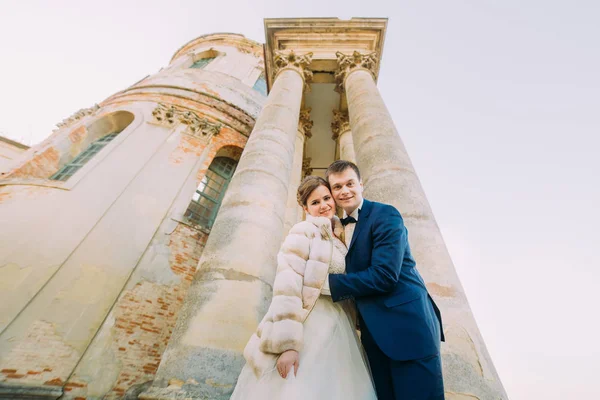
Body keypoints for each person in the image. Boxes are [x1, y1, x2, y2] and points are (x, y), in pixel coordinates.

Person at [231, 176, 377, 400]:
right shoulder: (303, 230)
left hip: (341, 325)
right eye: (315, 202)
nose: (323, 205)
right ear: (305, 208)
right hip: (310, 323)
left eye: (326, 198)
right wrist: (288, 345)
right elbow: (287, 286)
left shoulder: (341, 238)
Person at [326, 160, 445, 400]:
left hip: (408, 328)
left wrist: (327, 284)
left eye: (350, 183)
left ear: (361, 185)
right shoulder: (338, 229)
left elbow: (385, 275)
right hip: (373, 336)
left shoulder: (385, 214)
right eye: (337, 187)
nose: (344, 190)